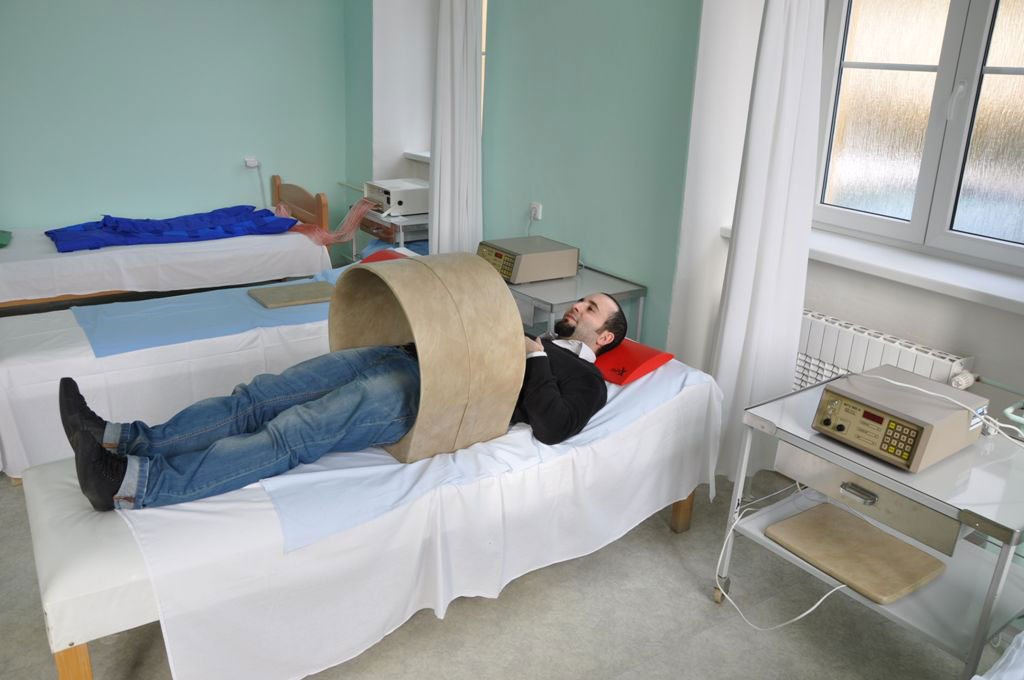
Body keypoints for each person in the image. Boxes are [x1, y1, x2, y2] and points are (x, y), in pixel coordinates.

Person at [61, 293, 628, 511]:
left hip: (431, 393)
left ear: (604, 337)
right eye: (581, 300)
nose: (578, 306)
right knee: (258, 396)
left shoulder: (588, 379)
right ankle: (120, 438)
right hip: (401, 355)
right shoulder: (533, 330)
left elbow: (554, 427)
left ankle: (134, 483)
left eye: (592, 309)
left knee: (293, 431)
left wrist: (535, 356)